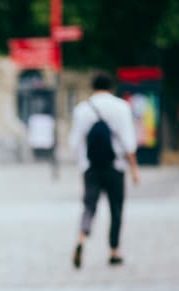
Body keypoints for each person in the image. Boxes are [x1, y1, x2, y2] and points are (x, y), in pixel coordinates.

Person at [68, 72, 140, 268]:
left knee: (89, 206)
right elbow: (128, 142)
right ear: (111, 87)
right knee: (116, 209)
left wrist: (82, 163)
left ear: (92, 87)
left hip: (90, 167)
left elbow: (74, 143)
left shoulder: (82, 110)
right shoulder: (121, 107)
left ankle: (82, 238)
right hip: (115, 166)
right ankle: (114, 251)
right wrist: (134, 169)